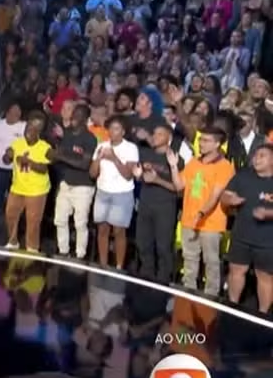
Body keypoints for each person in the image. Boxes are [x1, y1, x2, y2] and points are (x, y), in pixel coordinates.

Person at [169, 127, 235, 296]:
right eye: (200, 140)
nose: (201, 143)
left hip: (211, 224)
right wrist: (174, 166)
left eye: (206, 140)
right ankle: (188, 293)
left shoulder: (225, 166)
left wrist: (200, 214)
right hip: (189, 220)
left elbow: (215, 196)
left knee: (211, 262)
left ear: (217, 144)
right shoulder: (194, 162)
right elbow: (179, 186)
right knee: (189, 259)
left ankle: (211, 297)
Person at [222, 144, 273, 313]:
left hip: (267, 241)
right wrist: (230, 199)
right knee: (236, 270)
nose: (257, 159)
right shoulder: (243, 176)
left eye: (262, 155)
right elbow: (225, 195)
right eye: (256, 155)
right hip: (241, 236)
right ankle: (232, 306)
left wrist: (268, 213)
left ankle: (263, 314)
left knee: (264, 277)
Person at [90, 116, 140, 269]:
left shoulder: (131, 148)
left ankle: (118, 266)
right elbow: (92, 173)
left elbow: (128, 175)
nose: (112, 131)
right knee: (102, 229)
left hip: (122, 194)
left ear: (123, 132)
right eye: (111, 128)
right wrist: (98, 159)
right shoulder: (101, 146)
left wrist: (114, 158)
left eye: (116, 129)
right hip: (102, 192)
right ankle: (103, 264)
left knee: (119, 231)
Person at [134, 125, 182, 282]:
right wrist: (138, 176)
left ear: (169, 138)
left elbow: (178, 189)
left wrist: (157, 180)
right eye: (154, 133)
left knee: (163, 246)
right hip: (145, 204)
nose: (155, 136)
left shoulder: (175, 159)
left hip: (165, 207)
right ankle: (146, 275)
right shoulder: (145, 154)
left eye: (160, 134)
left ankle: (163, 279)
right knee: (143, 242)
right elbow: (139, 176)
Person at [3, 112, 54, 254]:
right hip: (17, 188)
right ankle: (13, 242)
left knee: (33, 221)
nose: (29, 131)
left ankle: (32, 248)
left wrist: (29, 162)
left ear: (40, 132)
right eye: (28, 126)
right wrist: (7, 156)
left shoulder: (45, 148)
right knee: (10, 215)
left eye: (34, 128)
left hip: (36, 190)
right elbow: (6, 160)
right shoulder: (17, 143)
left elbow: (44, 169)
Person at [52, 104, 98, 259]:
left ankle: (80, 255)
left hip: (83, 187)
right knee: (60, 220)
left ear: (85, 119)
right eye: (73, 113)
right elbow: (61, 155)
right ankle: (63, 251)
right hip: (66, 183)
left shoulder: (90, 138)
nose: (73, 117)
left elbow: (84, 164)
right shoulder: (67, 135)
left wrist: (60, 156)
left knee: (80, 223)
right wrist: (54, 155)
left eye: (78, 115)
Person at [0, 102, 25, 218]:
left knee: (16, 192)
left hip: (17, 168)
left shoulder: (23, 126)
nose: (17, 113)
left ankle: (16, 213)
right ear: (7, 112)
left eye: (19, 111)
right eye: (14, 110)